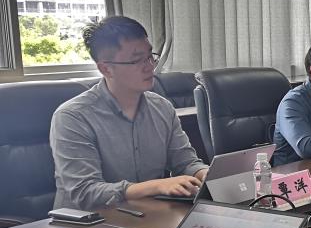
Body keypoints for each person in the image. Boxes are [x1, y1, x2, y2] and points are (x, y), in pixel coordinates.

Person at [50, 16, 208, 211]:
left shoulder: (162, 108)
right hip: (89, 223)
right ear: (106, 68)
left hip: (147, 216)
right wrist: (156, 186)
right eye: (136, 60)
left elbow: (185, 162)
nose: (150, 66)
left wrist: (206, 174)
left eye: (150, 56)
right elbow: (85, 192)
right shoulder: (73, 117)